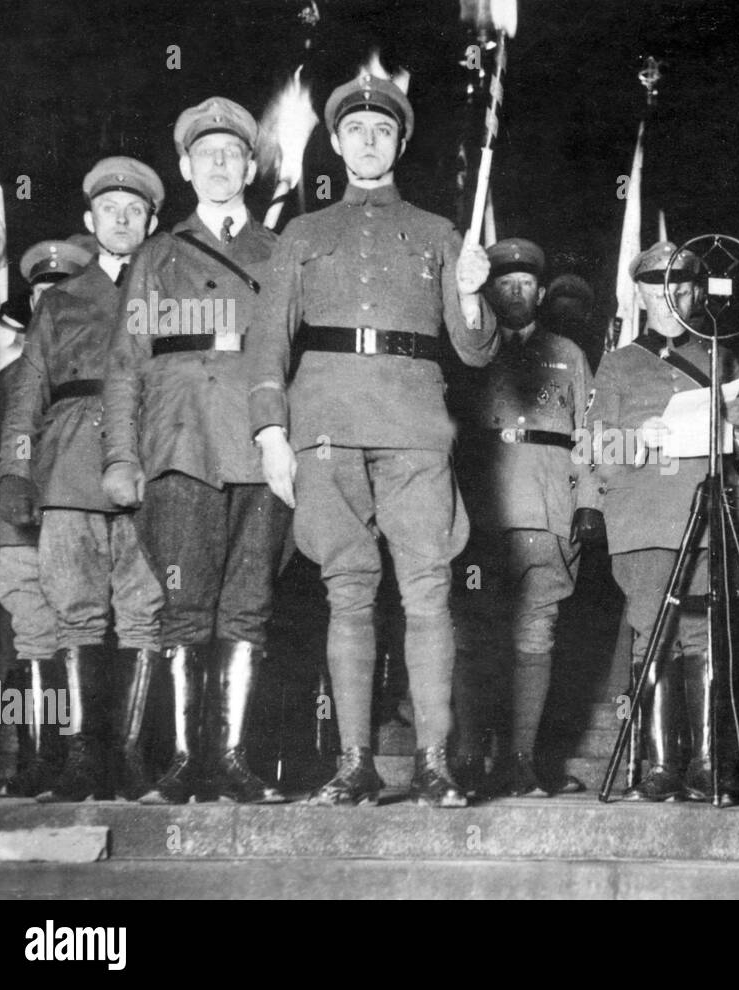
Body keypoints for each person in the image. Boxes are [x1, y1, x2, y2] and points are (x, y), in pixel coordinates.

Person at [246, 71, 496, 807]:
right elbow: (268, 343)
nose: (367, 140)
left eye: (382, 130)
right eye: (354, 129)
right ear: (334, 141)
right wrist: (269, 432)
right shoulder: (302, 233)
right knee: (346, 590)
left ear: (400, 141)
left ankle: (433, 764)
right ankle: (354, 765)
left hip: (416, 426)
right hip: (323, 424)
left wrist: (474, 292)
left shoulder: (438, 234)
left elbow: (475, 351)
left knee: (429, 589)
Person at [102, 97, 289, 805]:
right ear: (185, 167)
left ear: (250, 166)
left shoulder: (280, 252)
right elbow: (125, 366)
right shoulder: (157, 254)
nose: (219, 163)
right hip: (180, 441)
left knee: (248, 604)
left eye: (232, 153)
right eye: (206, 153)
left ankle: (233, 760)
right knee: (184, 605)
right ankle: (185, 762)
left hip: (260, 441)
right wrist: (122, 457)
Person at [0, 158, 166, 802]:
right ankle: (82, 761)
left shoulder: (169, 293)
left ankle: (131, 760)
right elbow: (25, 396)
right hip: (68, 471)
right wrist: (15, 469)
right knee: (76, 614)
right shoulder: (61, 301)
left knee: (146, 611)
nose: (122, 221)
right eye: (110, 211)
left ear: (150, 223)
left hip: (147, 464)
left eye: (135, 212)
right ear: (91, 222)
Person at [588, 240, 739, 804]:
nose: (668, 300)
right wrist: (641, 439)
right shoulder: (617, 363)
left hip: (707, 514)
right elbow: (593, 446)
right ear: (639, 294)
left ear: (696, 291)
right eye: (656, 290)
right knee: (654, 636)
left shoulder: (720, 356)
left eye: (679, 288)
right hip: (644, 519)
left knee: (706, 636)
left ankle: (708, 761)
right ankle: (660, 765)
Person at [451, 237, 604, 796]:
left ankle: (520, 760)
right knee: (473, 634)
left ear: (541, 293)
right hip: (483, 511)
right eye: (504, 284)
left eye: (525, 285)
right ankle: (469, 756)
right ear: (489, 288)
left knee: (535, 633)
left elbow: (590, 438)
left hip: (546, 509)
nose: (515, 294)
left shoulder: (569, 354)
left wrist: (589, 500)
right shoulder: (470, 348)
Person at [0, 240, 93, 796]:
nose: (54, 302)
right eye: (44, 293)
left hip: (77, 515)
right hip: (21, 525)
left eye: (65, 293)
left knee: (82, 630)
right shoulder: (10, 378)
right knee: (31, 634)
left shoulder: (95, 368)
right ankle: (32, 759)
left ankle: (74, 760)